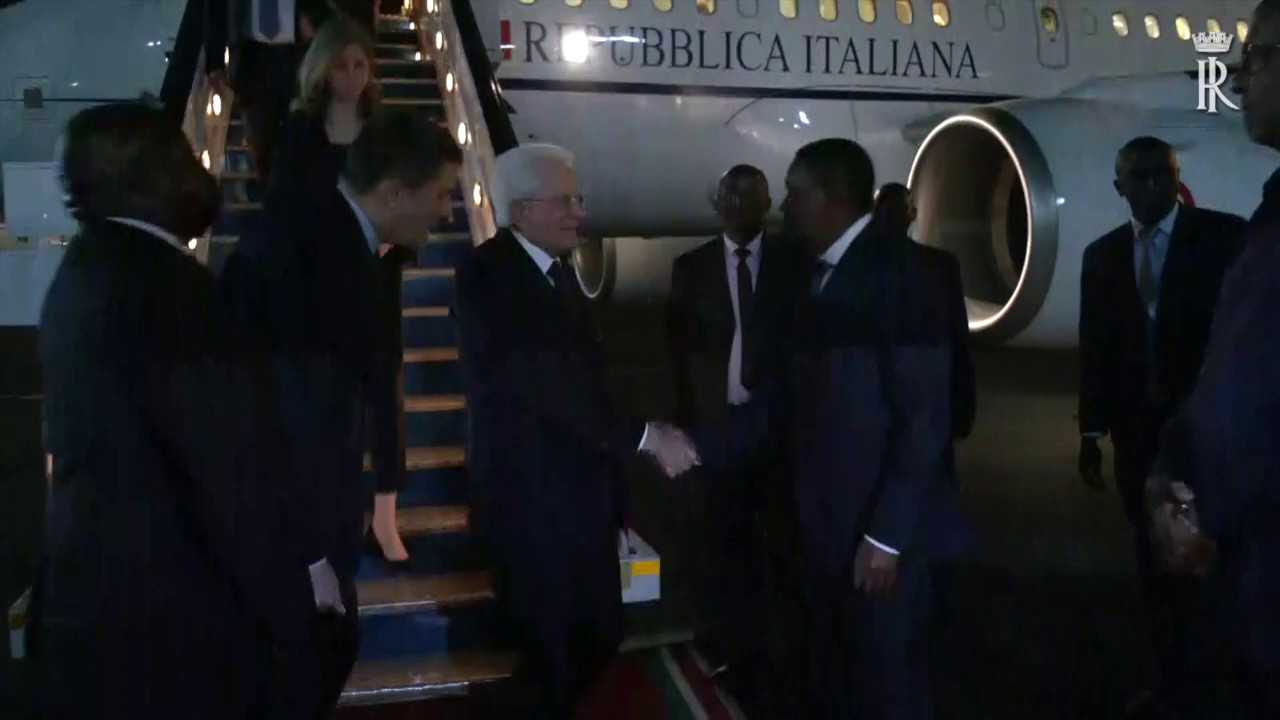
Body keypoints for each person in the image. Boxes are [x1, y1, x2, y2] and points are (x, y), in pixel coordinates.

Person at [30, 101, 312, 719]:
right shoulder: (173, 294)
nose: (200, 174)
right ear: (150, 178)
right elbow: (228, 472)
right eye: (184, 158)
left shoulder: (80, 273)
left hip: (94, 611)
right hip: (173, 630)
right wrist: (295, 610)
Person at [220, 109, 463, 718]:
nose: (447, 212)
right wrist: (310, 557)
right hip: (289, 540)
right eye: (441, 195)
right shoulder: (313, 262)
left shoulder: (335, 243)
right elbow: (284, 418)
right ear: (394, 193)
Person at [452, 143, 699, 719]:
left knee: (598, 634)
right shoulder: (487, 274)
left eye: (578, 199)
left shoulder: (555, 271)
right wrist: (646, 437)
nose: (579, 213)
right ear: (521, 211)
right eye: (564, 201)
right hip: (533, 504)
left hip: (578, 501)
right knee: (554, 654)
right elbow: (546, 385)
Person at [1076, 137, 1245, 714]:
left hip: (1205, 430)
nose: (1152, 186)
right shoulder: (1102, 256)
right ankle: (1172, 676)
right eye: (1140, 177)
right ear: (1118, 186)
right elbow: (1095, 349)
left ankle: (1212, 677)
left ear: (1177, 179)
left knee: (1211, 555)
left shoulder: (1222, 239)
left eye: (1162, 175)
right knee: (1152, 559)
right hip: (1137, 436)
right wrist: (1090, 431)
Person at [1147, 4, 1280, 716]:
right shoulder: (1265, 225)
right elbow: (1232, 385)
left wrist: (1198, 507)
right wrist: (1176, 478)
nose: (1235, 77)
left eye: (1257, 56)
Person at [667, 164, 807, 714]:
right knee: (720, 543)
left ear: (768, 203)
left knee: (780, 543)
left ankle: (779, 653)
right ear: (717, 202)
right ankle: (727, 646)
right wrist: (684, 429)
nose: (738, 204)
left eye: (750, 195)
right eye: (729, 194)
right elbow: (677, 353)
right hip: (716, 428)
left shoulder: (794, 265)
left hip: (778, 430)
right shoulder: (692, 268)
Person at [206, 0, 333, 183]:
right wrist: (215, 61)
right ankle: (272, 192)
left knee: (305, 134)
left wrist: (314, 15)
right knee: (262, 142)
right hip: (252, 57)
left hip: (299, 53)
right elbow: (216, 7)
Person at [266, 16, 380, 212]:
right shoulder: (300, 128)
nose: (352, 75)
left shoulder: (379, 127)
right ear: (324, 70)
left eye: (359, 65)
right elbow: (280, 202)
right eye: (341, 66)